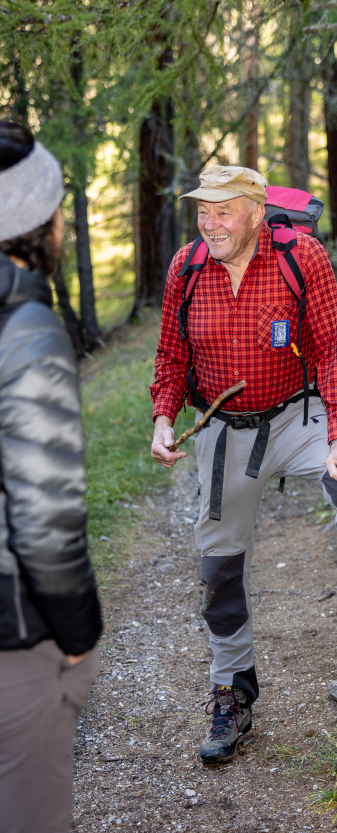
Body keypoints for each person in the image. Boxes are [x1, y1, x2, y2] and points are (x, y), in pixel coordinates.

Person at [151, 165, 337, 766]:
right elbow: (171, 355)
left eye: (224, 210)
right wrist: (164, 416)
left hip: (300, 417)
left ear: (254, 210)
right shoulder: (186, 267)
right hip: (225, 429)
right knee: (219, 563)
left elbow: (331, 349)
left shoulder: (301, 256)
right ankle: (233, 688)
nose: (210, 222)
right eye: (203, 209)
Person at [0, 121, 102, 833]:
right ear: (42, 220)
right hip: (13, 633)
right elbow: (44, 517)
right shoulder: (27, 327)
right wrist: (77, 633)